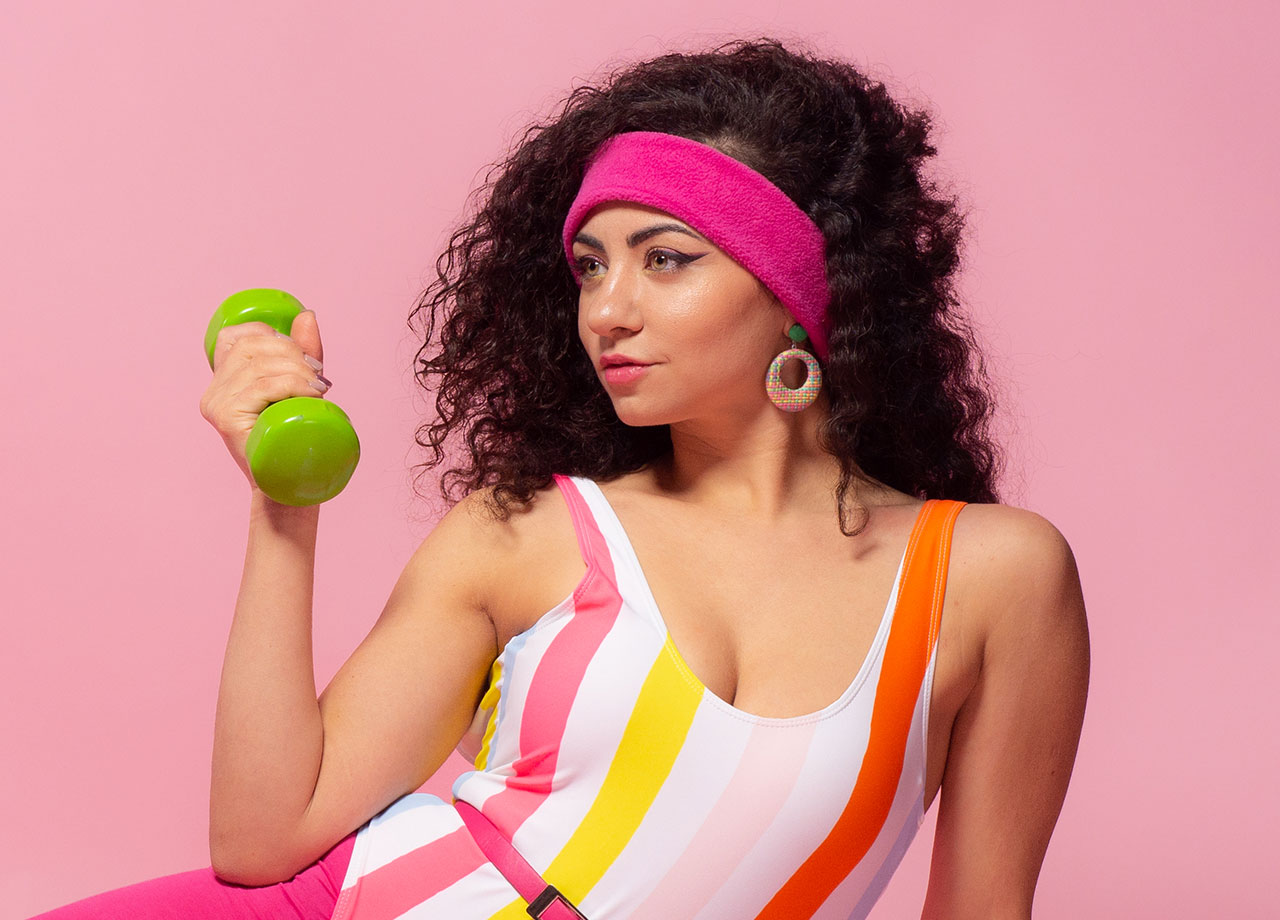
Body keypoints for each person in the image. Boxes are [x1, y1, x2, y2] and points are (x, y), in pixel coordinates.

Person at [33, 37, 1089, 920]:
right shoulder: (527, 531)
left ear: (798, 286)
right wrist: (284, 510)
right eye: (589, 263)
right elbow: (262, 838)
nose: (606, 310)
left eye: (663, 258)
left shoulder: (992, 576)